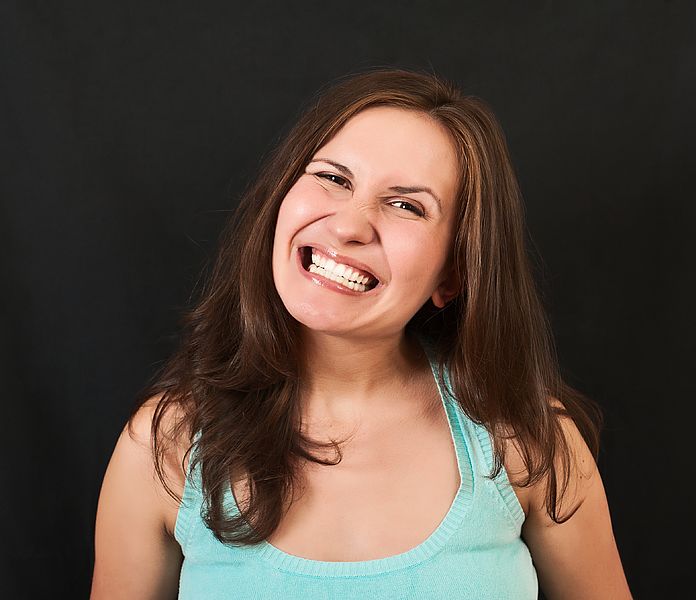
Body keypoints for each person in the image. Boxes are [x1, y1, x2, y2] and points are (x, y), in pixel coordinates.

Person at [91, 67, 633, 599]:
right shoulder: (165, 444)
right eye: (332, 178)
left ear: (453, 274)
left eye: (406, 205)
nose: (350, 225)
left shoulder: (527, 436)